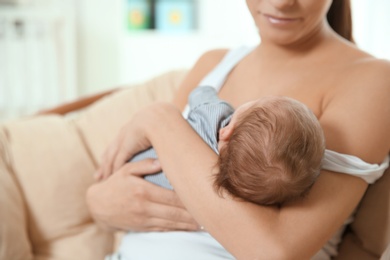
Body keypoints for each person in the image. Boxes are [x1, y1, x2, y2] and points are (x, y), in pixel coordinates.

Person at [87, 0, 390, 259]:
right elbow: (145, 171)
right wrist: (99, 204)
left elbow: (273, 251)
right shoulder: (214, 63)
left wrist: (159, 119)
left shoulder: (374, 80)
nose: (282, 2)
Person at [100, 85, 325, 206]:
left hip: (138, 166)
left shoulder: (215, 116)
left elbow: (200, 94)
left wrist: (208, 91)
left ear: (227, 131)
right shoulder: (240, 188)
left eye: (253, 105)